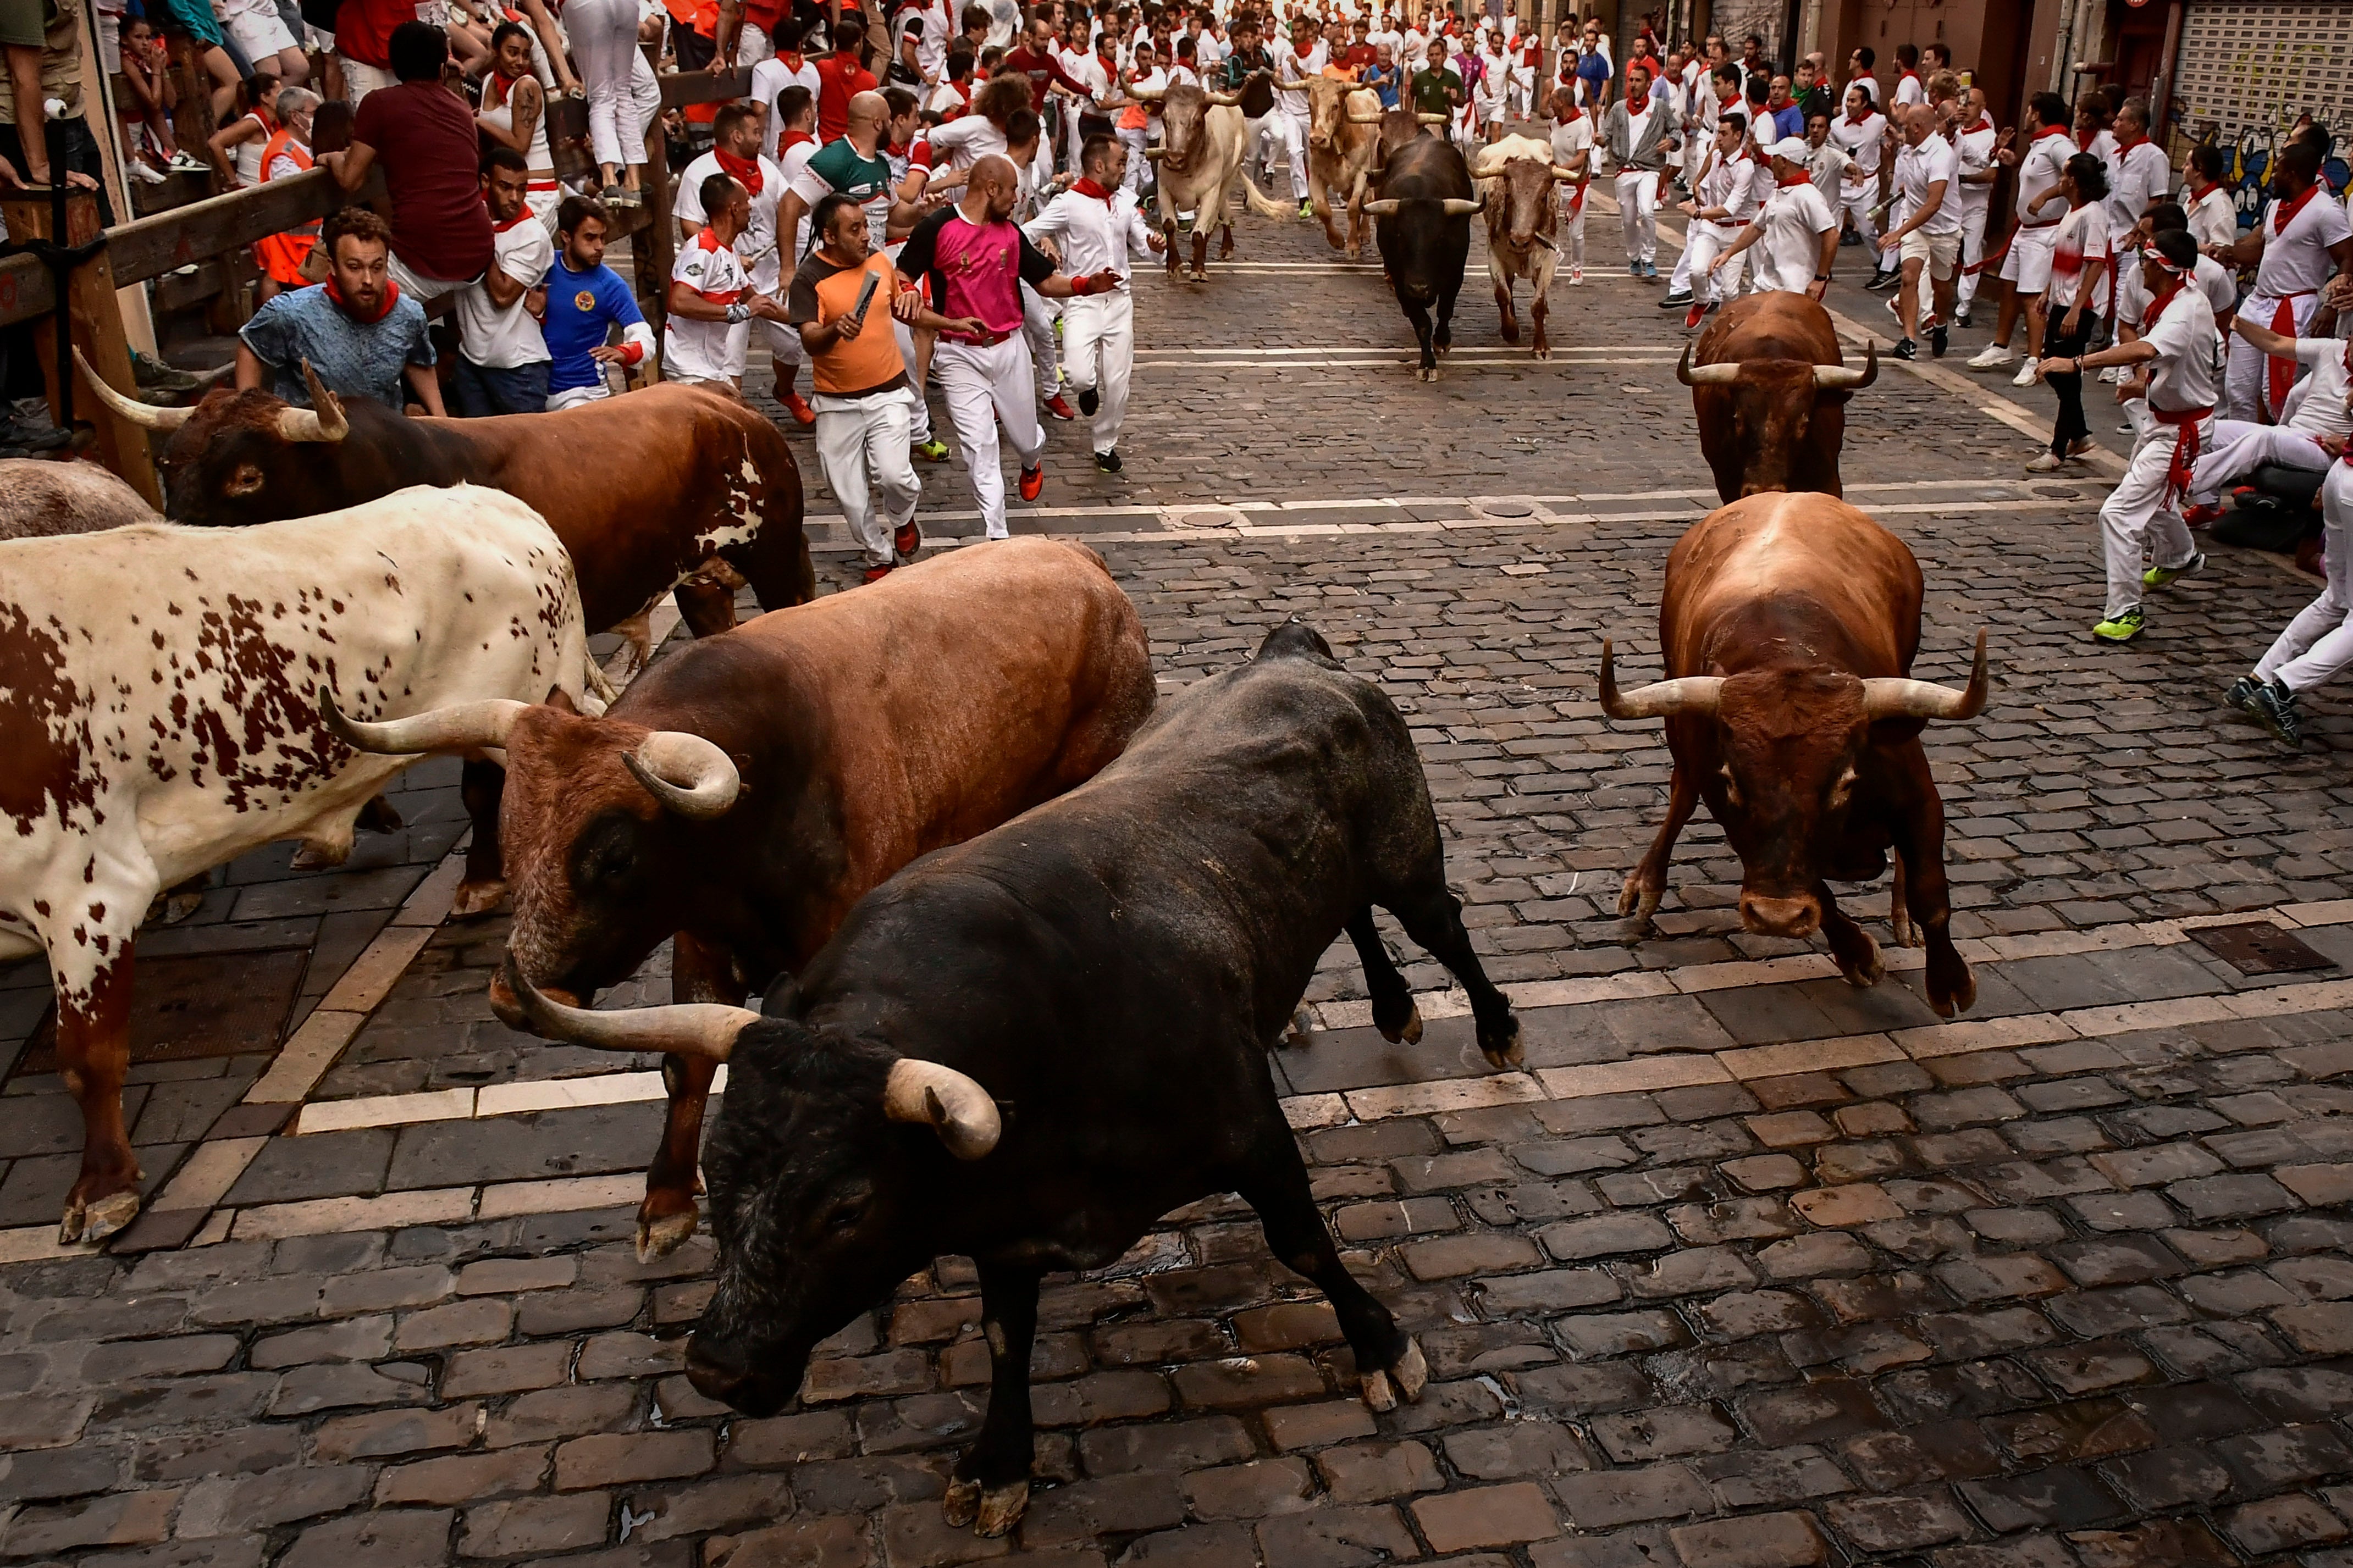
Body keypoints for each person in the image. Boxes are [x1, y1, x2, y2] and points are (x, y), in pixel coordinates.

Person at [892, 154, 1120, 537]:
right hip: (957, 353)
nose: (1017, 198)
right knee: (980, 448)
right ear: (991, 188)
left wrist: (1085, 285)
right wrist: (905, 291)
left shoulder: (1011, 234)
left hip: (1010, 349)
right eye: (1013, 190)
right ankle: (997, 536)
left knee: (1025, 439)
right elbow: (902, 273)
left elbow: (1047, 282)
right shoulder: (937, 227)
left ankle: (1032, 461)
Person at [2035, 229, 2214, 644]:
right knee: (2151, 498)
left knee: (2118, 513)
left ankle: (2127, 611)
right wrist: (2148, 387)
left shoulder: (2186, 310)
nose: (2141, 265)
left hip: (2178, 429)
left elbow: (2147, 351)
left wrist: (2077, 362)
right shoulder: (2180, 300)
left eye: (2147, 258)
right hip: (2166, 421)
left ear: (2163, 266)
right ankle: (2181, 557)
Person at [791, 192, 978, 580]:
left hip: (889, 392)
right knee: (849, 494)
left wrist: (953, 324)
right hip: (836, 403)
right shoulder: (808, 279)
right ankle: (879, 555)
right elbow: (809, 338)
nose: (866, 235)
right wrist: (833, 331)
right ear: (829, 235)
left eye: (865, 225)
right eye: (854, 229)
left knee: (896, 475)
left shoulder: (878, 262)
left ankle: (903, 517)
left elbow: (903, 310)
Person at [324, 22, 495, 303]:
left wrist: (330, 157)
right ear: (442, 67)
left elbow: (350, 179)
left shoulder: (379, 103)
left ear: (395, 64)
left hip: (423, 256)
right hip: (477, 251)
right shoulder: (461, 108)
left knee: (340, 285)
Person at [1024, 134, 1165, 470]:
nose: (1124, 169)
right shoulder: (1068, 203)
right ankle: (1086, 390)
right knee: (1077, 374)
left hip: (1119, 301)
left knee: (1118, 382)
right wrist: (1041, 255)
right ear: (1099, 165)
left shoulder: (1126, 202)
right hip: (1083, 299)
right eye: (1120, 163)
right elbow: (1025, 233)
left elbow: (1142, 240)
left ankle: (1105, 444)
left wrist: (1155, 246)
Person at [238, 206, 441, 413]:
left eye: (377, 267)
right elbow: (251, 347)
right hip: (312, 437)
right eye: (354, 268)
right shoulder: (293, 312)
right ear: (333, 266)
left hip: (381, 436)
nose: (368, 280)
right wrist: (250, 414)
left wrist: (442, 419)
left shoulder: (408, 315)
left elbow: (419, 362)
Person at [680, 102, 809, 422]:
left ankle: (786, 390)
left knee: (792, 345)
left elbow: (787, 210)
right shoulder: (700, 172)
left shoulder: (765, 167)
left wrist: (789, 267)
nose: (761, 138)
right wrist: (733, 259)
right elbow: (690, 225)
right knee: (731, 360)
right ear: (736, 136)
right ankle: (735, 425)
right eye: (755, 132)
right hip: (727, 285)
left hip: (770, 275)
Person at [2221, 142, 2353, 423]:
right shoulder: (2274, 206)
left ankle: (2279, 450)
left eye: (2278, 171)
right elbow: (2260, 250)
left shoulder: (2326, 211)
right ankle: (2240, 451)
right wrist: (2227, 252)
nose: (2271, 177)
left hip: (2294, 307)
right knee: (2237, 389)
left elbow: (2347, 257)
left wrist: (2331, 307)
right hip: (2258, 301)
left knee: (2278, 394)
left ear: (2292, 174)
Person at [2183, 315, 2347, 525]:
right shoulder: (2332, 349)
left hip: (2324, 449)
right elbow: (2276, 343)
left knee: (2263, 438)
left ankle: (2184, 482)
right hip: (2292, 434)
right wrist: (2238, 323)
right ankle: (2208, 508)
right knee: (2206, 429)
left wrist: (2346, 446)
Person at [667, 171, 793, 391]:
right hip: (690, 372)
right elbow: (679, 302)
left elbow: (759, 303)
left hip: (712, 370)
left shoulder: (728, 253)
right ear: (734, 208)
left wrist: (807, 322)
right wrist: (740, 312)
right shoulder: (703, 251)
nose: (750, 208)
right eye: (746, 202)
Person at [2026, 152, 2111, 473]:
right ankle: (2079, 432)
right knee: (2054, 368)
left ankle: (2058, 448)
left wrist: (2077, 307)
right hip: (2062, 300)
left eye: (2063, 175)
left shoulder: (2093, 216)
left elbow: (2095, 264)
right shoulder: (2074, 213)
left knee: (2065, 371)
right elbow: (2063, 261)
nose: (2059, 181)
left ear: (2073, 181)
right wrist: (2048, 292)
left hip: (2079, 305)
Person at [453, 149, 555, 415]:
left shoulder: (532, 236)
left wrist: (480, 233)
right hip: (472, 360)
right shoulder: (470, 219)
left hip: (518, 367)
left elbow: (502, 295)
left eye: (522, 189)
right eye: (505, 187)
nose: (515, 198)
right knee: (479, 454)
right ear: (485, 182)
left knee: (530, 454)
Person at [542, 195, 656, 409]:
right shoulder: (542, 267)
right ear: (566, 237)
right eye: (590, 238)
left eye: (602, 238)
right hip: (534, 390)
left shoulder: (611, 285)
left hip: (585, 396)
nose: (600, 247)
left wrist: (625, 352)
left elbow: (645, 338)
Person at [1705, 134, 1835, 301]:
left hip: (1795, 287)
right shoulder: (1778, 193)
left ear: (1784, 162)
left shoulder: (1808, 195)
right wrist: (1728, 254)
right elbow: (1757, 227)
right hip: (1767, 283)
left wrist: (1820, 279)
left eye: (1775, 158)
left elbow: (1831, 234)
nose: (1771, 162)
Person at [1662, 109, 1757, 325]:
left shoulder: (1745, 167)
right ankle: (1702, 300)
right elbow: (1710, 160)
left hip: (1736, 231)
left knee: (1730, 291)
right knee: (1696, 270)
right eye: (1718, 133)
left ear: (1737, 136)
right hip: (1712, 228)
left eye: (1723, 134)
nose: (1719, 139)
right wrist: (1696, 183)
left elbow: (1731, 208)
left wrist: (1697, 213)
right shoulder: (1716, 155)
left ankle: (1726, 325)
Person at [476, 23, 560, 226]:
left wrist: (479, 122)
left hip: (535, 189)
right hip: (502, 189)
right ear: (496, 51)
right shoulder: (488, 81)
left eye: (526, 55)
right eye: (512, 53)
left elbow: (520, 146)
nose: (520, 62)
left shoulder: (526, 86)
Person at [1601, 59, 1671, 279]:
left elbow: (1677, 131)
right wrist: (1598, 139)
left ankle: (1649, 257)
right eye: (1631, 80)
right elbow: (1606, 133)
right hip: (1624, 172)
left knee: (1647, 211)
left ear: (1649, 84)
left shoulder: (1659, 108)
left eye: (1638, 80)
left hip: (1649, 169)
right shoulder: (1619, 108)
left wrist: (1671, 142)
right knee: (1629, 220)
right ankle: (1634, 256)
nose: (1633, 84)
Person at [252, 87, 321, 302]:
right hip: (288, 239)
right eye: (313, 112)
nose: (316, 118)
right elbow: (294, 196)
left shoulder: (305, 145)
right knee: (279, 283)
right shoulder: (282, 151)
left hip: (304, 237)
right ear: (295, 116)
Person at [1948, 86, 1999, 326]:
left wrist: (1963, 179)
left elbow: (1990, 174)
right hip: (1951, 203)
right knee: (1944, 249)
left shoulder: (1990, 137)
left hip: (1976, 204)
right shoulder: (1954, 133)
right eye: (1963, 103)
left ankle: (1964, 305)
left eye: (1971, 104)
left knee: (1972, 254)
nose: (1965, 108)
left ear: (1982, 108)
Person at [1826, 83, 1884, 261]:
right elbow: (1832, 150)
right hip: (1842, 183)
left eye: (1853, 101)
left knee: (1867, 230)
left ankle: (1883, 264)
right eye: (1847, 101)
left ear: (1864, 103)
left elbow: (1886, 141)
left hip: (1867, 184)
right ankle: (1823, 266)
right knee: (1829, 227)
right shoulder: (1836, 125)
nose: (1849, 105)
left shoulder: (1879, 121)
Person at [1274, 10, 1323, 212]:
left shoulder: (1315, 55)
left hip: (1309, 112)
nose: (1296, 34)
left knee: (1314, 157)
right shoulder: (1285, 52)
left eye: (1300, 30)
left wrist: (1298, 70)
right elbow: (1278, 77)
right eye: (1293, 31)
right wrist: (1277, 76)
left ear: (1309, 31)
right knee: (1294, 151)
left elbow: (1316, 85)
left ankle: (1316, 193)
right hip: (1289, 111)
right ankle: (1302, 198)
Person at [753, 22, 822, 154]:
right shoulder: (812, 69)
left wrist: (758, 148)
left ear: (774, 42)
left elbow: (759, 110)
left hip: (779, 150)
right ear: (799, 45)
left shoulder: (764, 69)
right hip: (813, 147)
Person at [1548, 84, 1591, 285]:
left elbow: (1582, 157)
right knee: (1546, 225)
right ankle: (1555, 254)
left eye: (1553, 100)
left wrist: (1561, 169)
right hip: (1556, 183)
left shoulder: (1582, 124)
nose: (1550, 104)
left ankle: (1577, 269)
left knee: (1575, 232)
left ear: (1562, 102)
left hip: (1576, 185)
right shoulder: (1555, 124)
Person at [2183, 145, 2235, 253]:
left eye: (2187, 164)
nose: (2183, 167)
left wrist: (2186, 247)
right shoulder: (2191, 198)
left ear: (2198, 170)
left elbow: (2219, 250)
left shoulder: (2220, 205)